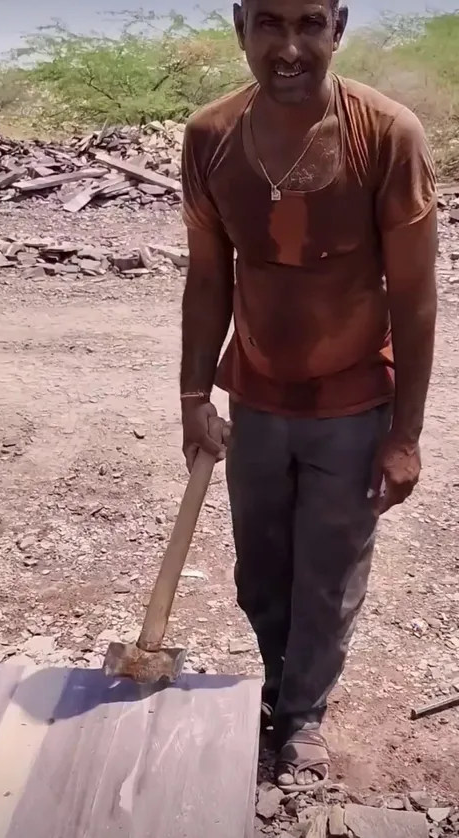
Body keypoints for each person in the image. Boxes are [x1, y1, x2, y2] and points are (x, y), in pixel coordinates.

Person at [180, 0, 437, 793]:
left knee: (328, 573)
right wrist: (193, 391)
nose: (288, 48)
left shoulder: (387, 136)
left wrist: (404, 434)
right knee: (260, 573)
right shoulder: (211, 137)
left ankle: (301, 717)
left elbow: (417, 294)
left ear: (338, 27)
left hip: (354, 403)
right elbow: (207, 276)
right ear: (240, 27)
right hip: (257, 397)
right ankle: (279, 680)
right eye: (269, 24)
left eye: (307, 25)